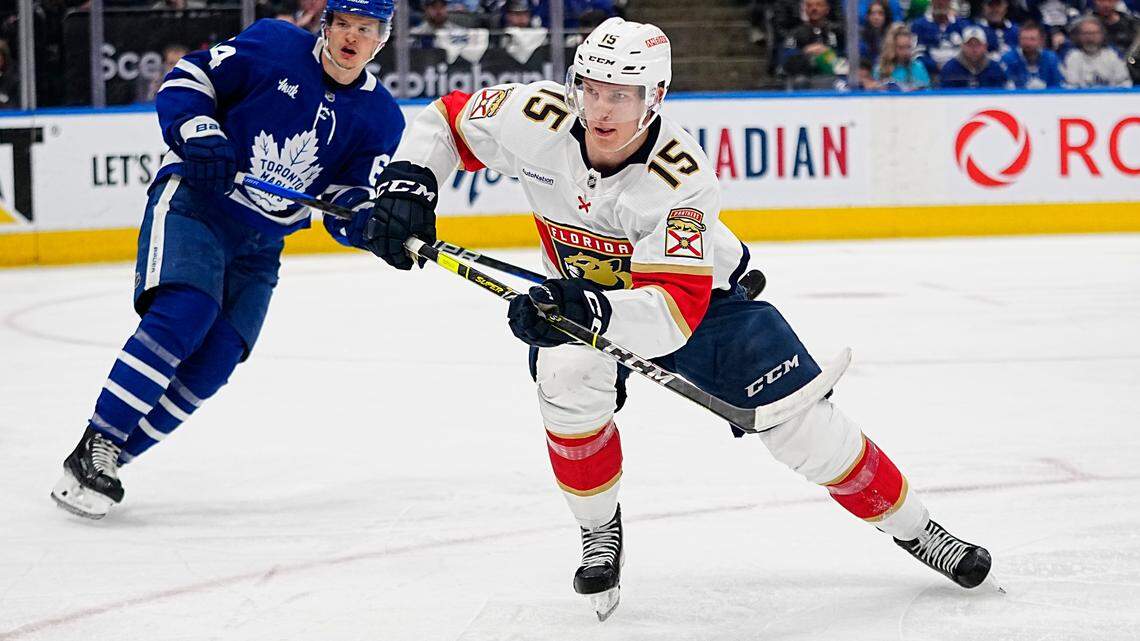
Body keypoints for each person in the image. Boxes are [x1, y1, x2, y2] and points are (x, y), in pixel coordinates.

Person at [357, 16, 994, 621]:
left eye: (623, 96)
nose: (602, 110)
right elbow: (446, 122)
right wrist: (412, 183)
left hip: (702, 302)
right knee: (568, 375)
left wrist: (591, 309)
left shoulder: (681, 180)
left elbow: (671, 314)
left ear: (655, 96)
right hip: (592, 299)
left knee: (804, 432)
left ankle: (918, 530)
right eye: (592, 89)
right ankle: (598, 529)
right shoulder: (535, 117)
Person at [49, 0, 406, 520]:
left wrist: (366, 222)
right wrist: (198, 128)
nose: (352, 38)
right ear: (326, 26)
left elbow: (344, 198)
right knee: (184, 314)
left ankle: (107, 458)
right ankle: (99, 440)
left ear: (382, 39)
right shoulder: (275, 45)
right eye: (344, 25)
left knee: (215, 361)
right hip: (197, 202)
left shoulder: (380, 117)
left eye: (366, 30)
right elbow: (188, 78)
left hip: (261, 244)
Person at [1062, 15, 1132, 86]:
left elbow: (1124, 83)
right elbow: (1069, 86)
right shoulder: (1072, 57)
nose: (1090, 37)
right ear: (1078, 36)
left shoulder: (1113, 55)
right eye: (1086, 33)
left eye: (1094, 33)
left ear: (1102, 35)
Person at [939, 24, 1008, 86]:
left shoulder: (995, 68)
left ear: (985, 46)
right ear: (962, 46)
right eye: (969, 45)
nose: (974, 49)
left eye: (978, 44)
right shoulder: (950, 69)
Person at [1001, 21, 1063, 87]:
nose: (1027, 43)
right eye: (1024, 39)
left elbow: (1058, 83)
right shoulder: (1008, 59)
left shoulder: (1051, 58)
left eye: (1032, 39)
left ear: (1041, 40)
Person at [874, 23, 932, 89]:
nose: (906, 52)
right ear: (891, 47)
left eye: (908, 47)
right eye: (901, 48)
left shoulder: (918, 67)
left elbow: (927, 93)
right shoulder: (880, 69)